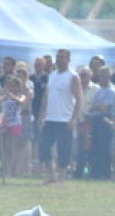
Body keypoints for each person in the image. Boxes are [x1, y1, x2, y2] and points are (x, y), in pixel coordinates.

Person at [38, 48, 82, 184]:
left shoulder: (72, 76)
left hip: (64, 118)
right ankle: (51, 175)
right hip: (50, 118)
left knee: (64, 150)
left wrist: (73, 118)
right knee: (43, 147)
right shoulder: (52, 75)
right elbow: (46, 95)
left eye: (62, 57)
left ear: (68, 59)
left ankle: (61, 177)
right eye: (57, 57)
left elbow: (79, 99)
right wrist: (42, 115)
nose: (59, 59)